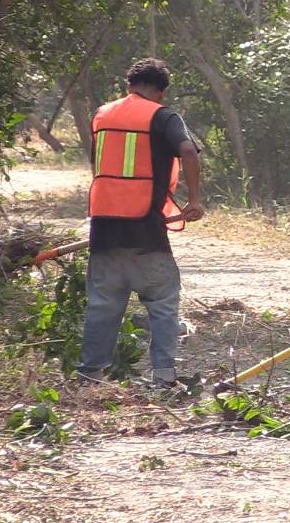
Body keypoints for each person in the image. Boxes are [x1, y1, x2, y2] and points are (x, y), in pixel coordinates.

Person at [78, 58, 205, 387]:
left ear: (129, 85)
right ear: (161, 92)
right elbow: (188, 151)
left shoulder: (102, 115)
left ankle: (89, 378)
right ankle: (164, 377)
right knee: (162, 302)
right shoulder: (163, 117)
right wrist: (194, 200)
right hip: (146, 231)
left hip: (103, 230)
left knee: (102, 306)